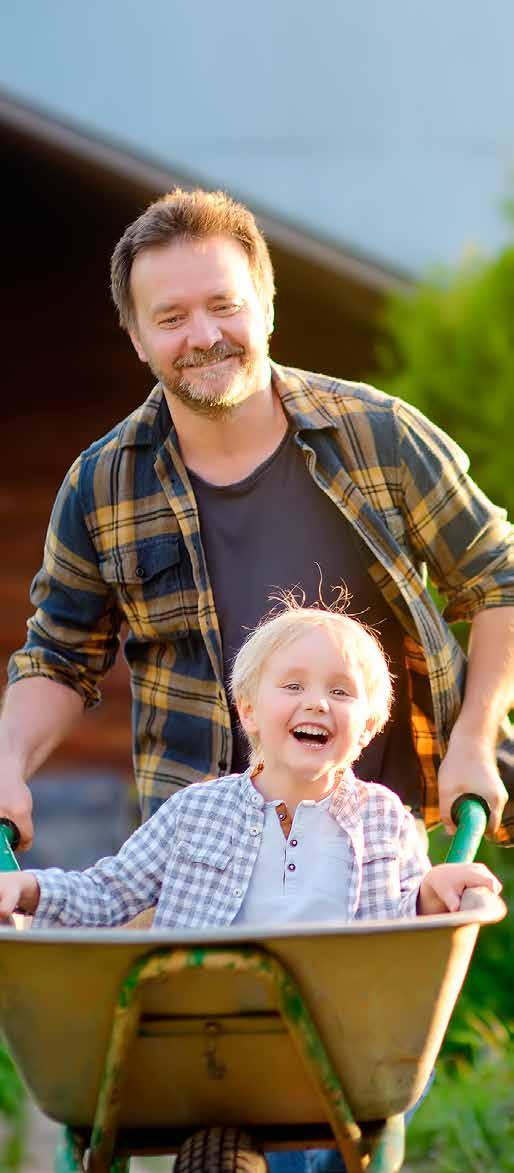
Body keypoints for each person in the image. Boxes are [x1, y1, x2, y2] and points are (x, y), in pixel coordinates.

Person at [1, 188, 514, 851]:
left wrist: (472, 741)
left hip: (384, 854)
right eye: (172, 316)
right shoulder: (103, 484)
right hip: (197, 866)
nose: (205, 336)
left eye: (224, 306)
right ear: (136, 339)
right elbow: (59, 655)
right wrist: (8, 762)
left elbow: (499, 579)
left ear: (268, 309)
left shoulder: (378, 438)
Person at [0, 606, 502, 1173]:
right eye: (293, 685)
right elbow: (111, 890)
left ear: (366, 728)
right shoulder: (196, 811)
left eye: (341, 692)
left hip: (342, 1045)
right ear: (249, 711)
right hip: (206, 1039)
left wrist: (439, 890)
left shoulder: (383, 818)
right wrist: (29, 889)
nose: (317, 702)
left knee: (385, 1085)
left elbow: (407, 913)